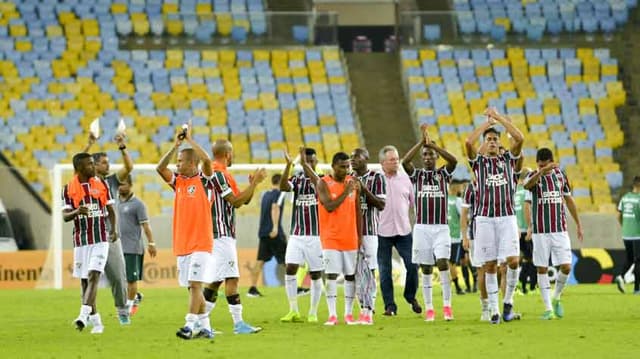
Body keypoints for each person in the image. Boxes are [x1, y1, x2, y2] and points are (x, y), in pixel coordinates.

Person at [465, 107, 524, 324]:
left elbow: (519, 137)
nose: (491, 141)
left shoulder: (509, 160)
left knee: (513, 260)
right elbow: (468, 143)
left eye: (494, 139)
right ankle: (495, 311)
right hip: (484, 219)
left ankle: (508, 301)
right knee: (489, 265)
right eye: (488, 139)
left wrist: (498, 119)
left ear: (500, 144)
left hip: (507, 217)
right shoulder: (478, 163)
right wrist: (487, 125)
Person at [156, 124, 215, 340]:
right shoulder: (179, 182)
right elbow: (160, 169)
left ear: (192, 163)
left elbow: (207, 161)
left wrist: (190, 140)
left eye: (180, 161)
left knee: (195, 284)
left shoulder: (204, 180)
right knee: (192, 288)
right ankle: (205, 327)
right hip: (182, 243)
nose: (177, 164)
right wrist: (175, 146)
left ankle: (189, 325)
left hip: (201, 242)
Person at [203, 139, 267, 334]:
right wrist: (255, 182)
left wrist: (252, 186)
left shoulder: (221, 174)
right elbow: (237, 202)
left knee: (216, 281)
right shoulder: (218, 174)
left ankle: (201, 323)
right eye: (232, 153)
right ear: (227, 154)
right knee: (232, 278)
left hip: (221, 234)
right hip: (221, 233)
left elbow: (243, 200)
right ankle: (238, 324)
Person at [402, 126, 458, 321]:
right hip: (422, 228)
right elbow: (405, 161)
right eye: (425, 155)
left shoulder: (444, 174)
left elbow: (454, 161)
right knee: (425, 268)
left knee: (442, 263)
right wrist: (421, 143)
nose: (427, 157)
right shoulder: (416, 175)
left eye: (431, 155)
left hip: (441, 228)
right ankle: (429, 309)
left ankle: (447, 306)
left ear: (436, 158)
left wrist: (434, 145)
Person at [523, 148, 584, 319]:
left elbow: (569, 200)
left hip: (559, 229)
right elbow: (527, 186)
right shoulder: (533, 176)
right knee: (541, 268)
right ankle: (548, 308)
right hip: (540, 231)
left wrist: (579, 224)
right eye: (539, 165)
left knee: (566, 266)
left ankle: (556, 297)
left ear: (552, 162)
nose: (541, 167)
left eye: (544, 165)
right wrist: (541, 172)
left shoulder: (560, 175)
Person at [305, 151, 361, 325]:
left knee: (351, 276)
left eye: (347, 167)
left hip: (350, 237)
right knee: (331, 275)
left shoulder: (353, 183)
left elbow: (357, 211)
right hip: (330, 238)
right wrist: (346, 192)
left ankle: (349, 314)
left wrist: (360, 235)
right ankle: (332, 315)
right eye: (342, 167)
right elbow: (329, 206)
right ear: (333, 166)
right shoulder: (323, 183)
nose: (345, 170)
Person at [63, 152, 116, 334]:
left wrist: (114, 229)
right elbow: (65, 216)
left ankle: (82, 315)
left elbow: (111, 209)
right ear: (79, 169)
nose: (93, 167)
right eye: (89, 165)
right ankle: (97, 321)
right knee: (85, 281)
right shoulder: (68, 188)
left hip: (100, 238)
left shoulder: (101, 184)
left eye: (94, 163)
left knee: (94, 275)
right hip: (81, 240)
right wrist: (77, 211)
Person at [84, 133, 132, 324]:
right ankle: (88, 313)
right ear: (93, 165)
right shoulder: (84, 182)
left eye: (108, 162)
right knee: (88, 279)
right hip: (89, 236)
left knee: (119, 277)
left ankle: (122, 311)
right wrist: (88, 145)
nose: (108, 165)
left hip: (110, 237)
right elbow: (77, 164)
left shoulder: (111, 181)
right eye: (104, 162)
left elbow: (129, 167)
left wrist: (122, 147)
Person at [278, 148, 324, 323]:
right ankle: (293, 310)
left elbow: (319, 187)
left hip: (315, 236)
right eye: (307, 161)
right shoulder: (297, 180)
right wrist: (289, 165)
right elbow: (283, 186)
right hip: (296, 235)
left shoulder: (322, 180)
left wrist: (305, 165)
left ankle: (313, 312)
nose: (309, 164)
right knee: (290, 268)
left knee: (315, 274)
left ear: (316, 162)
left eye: (312, 161)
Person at [377, 145, 421, 316]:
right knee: (385, 271)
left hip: (404, 231)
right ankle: (390, 305)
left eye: (397, 159)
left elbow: (412, 203)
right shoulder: (376, 180)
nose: (396, 162)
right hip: (382, 232)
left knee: (412, 265)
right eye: (392, 160)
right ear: (382, 163)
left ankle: (410, 296)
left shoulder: (405, 179)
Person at [350, 147, 386, 324]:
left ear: (366, 158)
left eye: (356, 157)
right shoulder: (348, 178)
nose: (352, 160)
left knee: (370, 271)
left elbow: (381, 204)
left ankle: (369, 311)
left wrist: (363, 189)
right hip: (350, 233)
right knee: (356, 273)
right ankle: (361, 309)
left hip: (370, 231)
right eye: (351, 157)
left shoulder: (377, 177)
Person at [117, 175, 156, 315]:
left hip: (132, 247)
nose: (121, 187)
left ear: (130, 185)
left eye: (124, 184)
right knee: (119, 279)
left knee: (131, 279)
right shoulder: (115, 202)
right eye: (119, 184)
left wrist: (151, 243)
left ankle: (127, 308)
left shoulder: (138, 204)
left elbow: (146, 225)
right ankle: (136, 296)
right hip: (117, 247)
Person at [247, 174, 287, 297]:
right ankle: (296, 287)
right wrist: (275, 227)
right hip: (274, 233)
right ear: (281, 182)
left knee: (260, 261)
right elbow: (275, 208)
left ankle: (252, 289)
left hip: (264, 232)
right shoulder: (280, 193)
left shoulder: (265, 195)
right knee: (288, 261)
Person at [461, 179, 490, 321]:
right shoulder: (471, 188)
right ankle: (485, 308)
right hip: (476, 234)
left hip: (494, 234)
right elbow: (464, 212)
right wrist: (464, 236)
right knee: (481, 271)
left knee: (496, 269)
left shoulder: (496, 183)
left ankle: (496, 305)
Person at [614, 175, 640, 294]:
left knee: (630, 258)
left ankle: (620, 276)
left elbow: (618, 215)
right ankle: (637, 289)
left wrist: (625, 226)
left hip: (626, 234)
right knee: (638, 261)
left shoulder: (624, 198)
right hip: (637, 234)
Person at [515, 171, 536, 295]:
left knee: (524, 258)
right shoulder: (527, 191)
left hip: (516, 230)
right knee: (533, 259)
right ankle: (532, 287)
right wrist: (530, 227)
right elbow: (527, 208)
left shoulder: (513, 191)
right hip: (528, 229)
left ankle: (521, 286)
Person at [447, 179, 467, 295]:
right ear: (455, 188)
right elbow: (464, 216)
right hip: (454, 236)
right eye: (460, 187)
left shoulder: (444, 200)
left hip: (443, 234)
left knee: (445, 262)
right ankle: (457, 287)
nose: (461, 189)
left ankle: (447, 286)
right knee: (452, 263)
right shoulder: (458, 201)